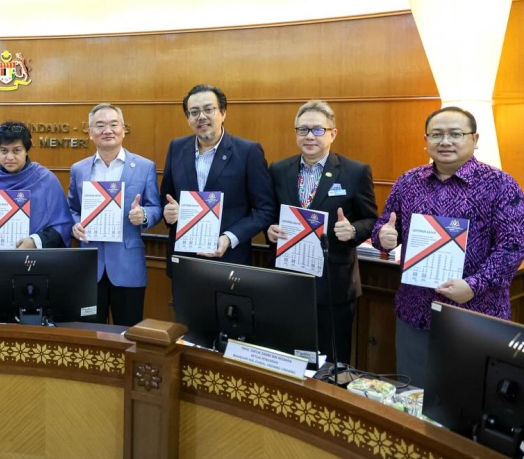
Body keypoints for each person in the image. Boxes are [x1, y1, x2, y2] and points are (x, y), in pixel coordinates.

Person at [372, 106, 524, 386]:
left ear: (475, 139)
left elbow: (512, 247)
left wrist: (474, 285)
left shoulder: (501, 185)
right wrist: (384, 236)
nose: (445, 141)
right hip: (415, 310)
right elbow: (385, 225)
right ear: (426, 139)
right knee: (412, 398)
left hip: (476, 315)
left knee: (466, 405)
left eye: (456, 134)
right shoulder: (408, 182)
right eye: (437, 134)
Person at [266, 100, 378, 363]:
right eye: (302, 130)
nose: (309, 136)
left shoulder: (355, 172)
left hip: (333, 283)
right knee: (289, 356)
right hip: (289, 280)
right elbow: (269, 214)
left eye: (317, 130)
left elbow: (372, 219)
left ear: (332, 133)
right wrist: (269, 229)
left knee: (331, 362)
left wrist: (352, 229)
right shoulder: (279, 169)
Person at [160, 84, 276, 271]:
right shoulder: (176, 148)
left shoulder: (248, 152)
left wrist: (230, 237)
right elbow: (166, 195)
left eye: (208, 109)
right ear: (188, 118)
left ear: (223, 113)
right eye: (194, 112)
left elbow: (265, 209)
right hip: (184, 260)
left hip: (229, 259)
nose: (202, 117)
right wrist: (168, 211)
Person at [67, 104, 161, 326]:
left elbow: (155, 207)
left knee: (127, 332)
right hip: (90, 266)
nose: (107, 130)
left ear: (123, 129)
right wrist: (74, 225)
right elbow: (71, 208)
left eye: (113, 124)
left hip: (128, 265)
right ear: (90, 133)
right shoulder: (79, 169)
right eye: (99, 125)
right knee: (90, 333)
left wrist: (144, 215)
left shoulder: (144, 167)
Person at [0, 121, 72, 250]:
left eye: (16, 150)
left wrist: (35, 242)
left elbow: (62, 225)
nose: (10, 157)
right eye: (4, 151)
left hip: (37, 261)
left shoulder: (45, 180)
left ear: (26, 151)